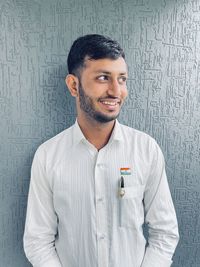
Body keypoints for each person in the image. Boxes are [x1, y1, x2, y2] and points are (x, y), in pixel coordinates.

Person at [23, 34, 179, 267]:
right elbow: (37, 240)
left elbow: (165, 232)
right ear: (74, 85)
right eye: (103, 78)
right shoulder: (47, 156)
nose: (116, 91)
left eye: (122, 79)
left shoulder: (146, 150)